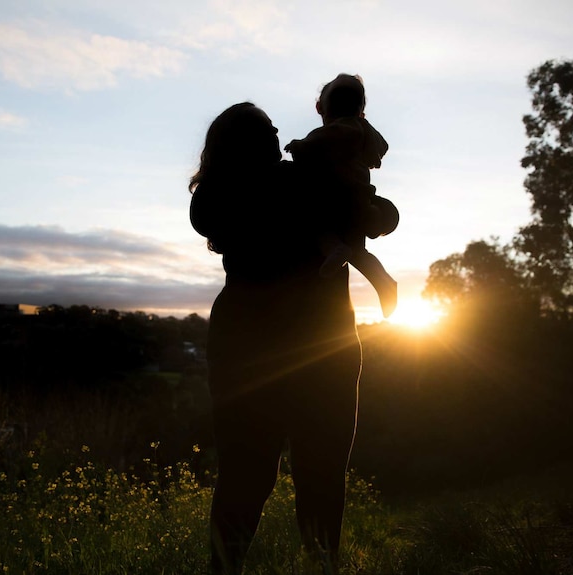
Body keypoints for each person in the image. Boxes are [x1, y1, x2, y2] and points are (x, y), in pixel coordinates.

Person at [189, 102, 363, 574]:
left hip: (273, 341)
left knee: (279, 471)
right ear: (242, 140)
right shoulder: (282, 183)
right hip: (306, 342)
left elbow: (372, 214)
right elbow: (368, 213)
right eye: (267, 129)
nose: (278, 132)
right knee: (288, 471)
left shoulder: (220, 194)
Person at [285, 73, 399, 318]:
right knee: (359, 251)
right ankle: (384, 282)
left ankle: (334, 249)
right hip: (360, 200)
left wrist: (298, 146)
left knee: (318, 227)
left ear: (319, 108)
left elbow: (314, 143)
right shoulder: (361, 131)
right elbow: (382, 147)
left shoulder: (338, 130)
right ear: (361, 111)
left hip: (334, 198)